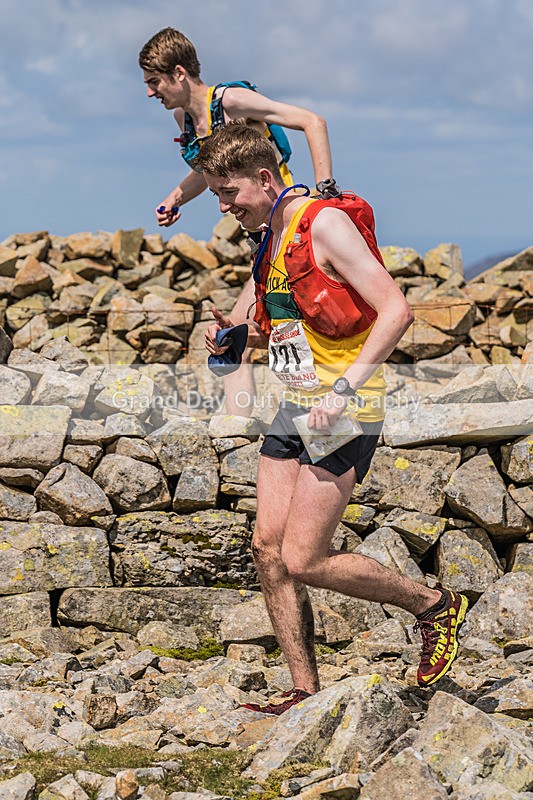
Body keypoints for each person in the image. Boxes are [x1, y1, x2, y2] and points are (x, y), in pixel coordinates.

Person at [198, 122, 469, 715]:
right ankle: (302, 691)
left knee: (303, 558)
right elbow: (287, 320)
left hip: (345, 408)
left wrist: (345, 390)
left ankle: (430, 604)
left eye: (229, 193)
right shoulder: (267, 236)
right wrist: (238, 335)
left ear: (265, 179)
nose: (222, 207)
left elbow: (396, 311)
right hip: (297, 403)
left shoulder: (323, 223)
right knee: (267, 548)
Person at [139, 27, 340, 414]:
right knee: (231, 336)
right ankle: (239, 435)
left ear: (179, 73)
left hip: (289, 229)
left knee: (265, 332)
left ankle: (274, 427)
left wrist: (325, 191)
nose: (150, 92)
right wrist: (176, 196)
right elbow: (212, 172)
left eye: (154, 81)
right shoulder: (184, 118)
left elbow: (313, 121)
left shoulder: (231, 101)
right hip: (260, 240)